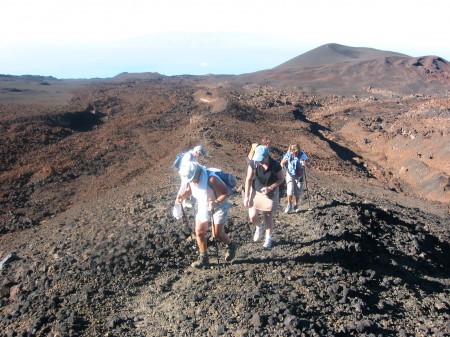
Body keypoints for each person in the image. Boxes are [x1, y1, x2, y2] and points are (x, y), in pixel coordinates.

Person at [177, 161, 238, 268]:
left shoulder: (211, 179)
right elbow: (190, 189)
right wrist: (182, 196)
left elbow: (226, 192)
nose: (192, 181)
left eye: (193, 178)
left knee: (218, 234)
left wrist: (216, 202)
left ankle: (231, 246)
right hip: (203, 205)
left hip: (219, 205)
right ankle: (204, 258)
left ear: (197, 172)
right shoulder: (191, 179)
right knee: (199, 232)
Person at [243, 145, 285, 249]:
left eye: (261, 159)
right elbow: (248, 180)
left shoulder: (275, 166)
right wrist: (247, 197)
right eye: (257, 159)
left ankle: (268, 238)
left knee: (267, 216)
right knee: (252, 216)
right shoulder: (253, 163)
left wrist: (270, 188)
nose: (259, 161)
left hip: (270, 193)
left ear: (267, 157)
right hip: (255, 190)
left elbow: (281, 179)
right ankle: (259, 227)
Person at [280, 144, 310, 213]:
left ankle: (296, 205)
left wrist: (305, 163)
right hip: (290, 174)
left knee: (298, 191)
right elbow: (282, 162)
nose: (294, 154)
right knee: (290, 190)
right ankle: (289, 205)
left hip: (299, 175)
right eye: (293, 152)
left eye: (296, 153)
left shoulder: (302, 155)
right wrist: (282, 168)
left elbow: (309, 164)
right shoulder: (288, 154)